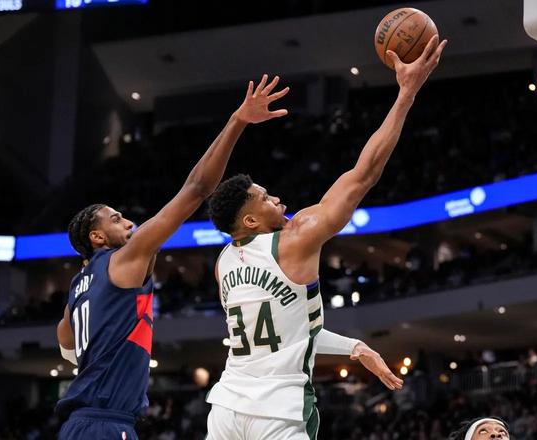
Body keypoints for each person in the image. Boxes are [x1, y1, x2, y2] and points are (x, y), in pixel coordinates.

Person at [205, 35, 447, 439]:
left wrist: (355, 347)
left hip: (226, 408)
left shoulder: (222, 264)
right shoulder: (295, 238)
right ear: (250, 220)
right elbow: (363, 174)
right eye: (265, 198)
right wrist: (406, 94)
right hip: (278, 411)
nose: (276, 198)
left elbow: (287, 336)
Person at [54, 74, 290, 440]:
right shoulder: (124, 259)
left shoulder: (75, 291)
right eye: (116, 219)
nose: (129, 222)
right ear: (97, 237)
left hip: (76, 425)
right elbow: (197, 188)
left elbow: (69, 350)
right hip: (106, 423)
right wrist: (237, 120)